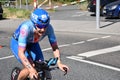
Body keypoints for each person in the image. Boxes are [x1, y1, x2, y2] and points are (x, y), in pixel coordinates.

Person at [10, 8, 69, 80]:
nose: (43, 30)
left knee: (40, 66)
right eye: (40, 26)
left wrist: (59, 63)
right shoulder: (26, 28)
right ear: (33, 23)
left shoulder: (49, 29)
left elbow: (55, 47)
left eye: (45, 26)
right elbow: (21, 52)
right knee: (31, 66)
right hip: (17, 43)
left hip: (33, 43)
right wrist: (31, 69)